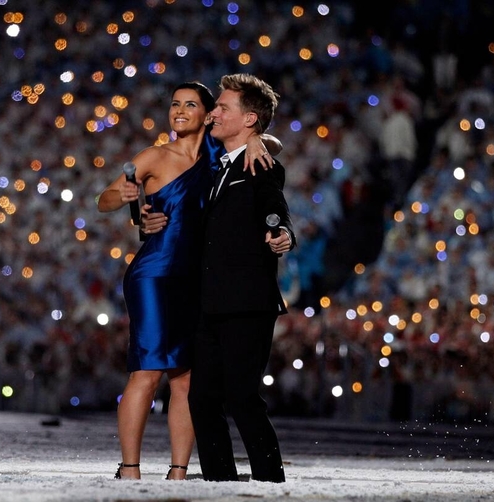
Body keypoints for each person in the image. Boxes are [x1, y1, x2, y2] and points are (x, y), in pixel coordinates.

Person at [97, 82, 282, 480]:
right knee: (146, 371)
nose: (179, 110)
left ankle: (179, 470)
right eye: (174, 104)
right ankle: (130, 467)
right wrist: (130, 201)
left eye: (191, 105)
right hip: (156, 275)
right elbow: (105, 200)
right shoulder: (153, 155)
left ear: (209, 113)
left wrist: (260, 143)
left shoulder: (219, 155)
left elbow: (261, 138)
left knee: (187, 379)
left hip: (199, 280)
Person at [188, 73, 295, 483]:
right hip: (210, 302)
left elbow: (274, 205)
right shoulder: (219, 164)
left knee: (242, 397)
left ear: (249, 119)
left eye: (223, 107)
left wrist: (281, 232)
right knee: (202, 399)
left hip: (247, 302)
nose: (213, 112)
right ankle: (220, 481)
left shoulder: (260, 164)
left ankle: (270, 479)